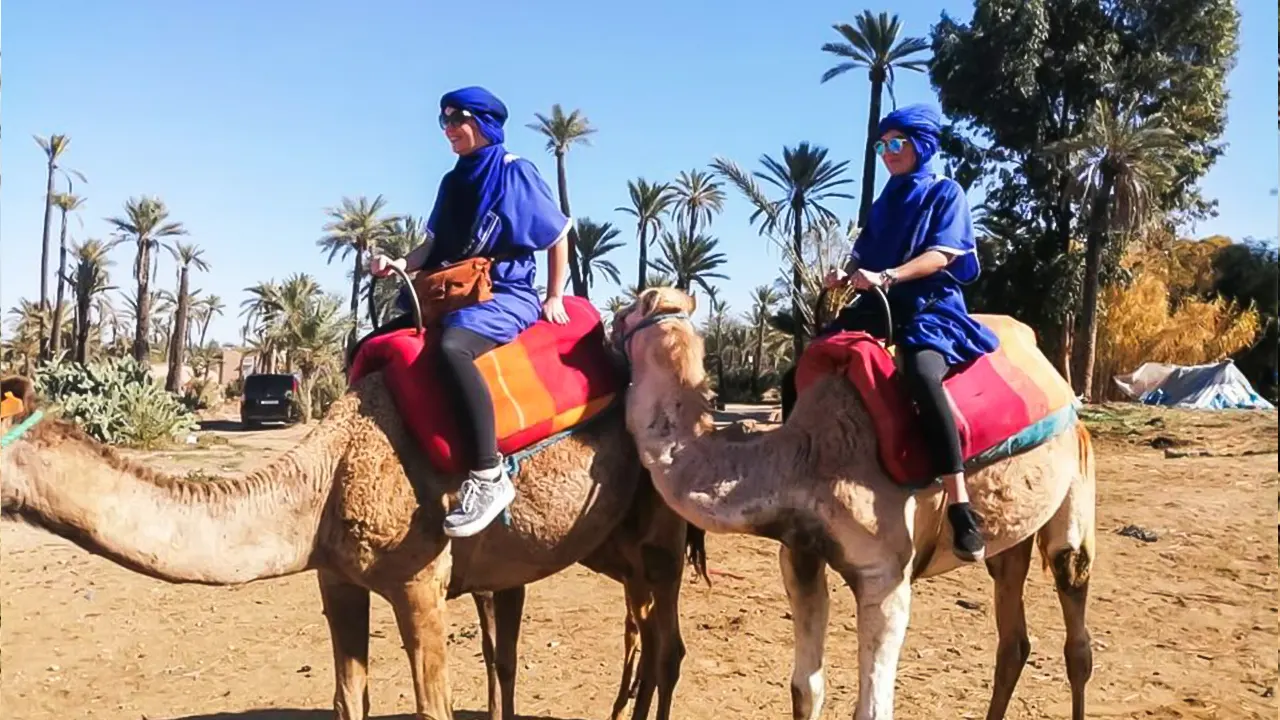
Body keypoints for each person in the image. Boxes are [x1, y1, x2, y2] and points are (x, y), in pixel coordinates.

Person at [358, 86, 572, 539]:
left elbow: (557, 235)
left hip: (506, 292)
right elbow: (432, 247)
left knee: (453, 347)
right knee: (373, 345)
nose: (449, 130)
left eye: (458, 120)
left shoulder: (516, 174)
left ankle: (488, 475)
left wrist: (553, 296)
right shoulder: (453, 181)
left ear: (484, 123)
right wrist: (398, 264)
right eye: (444, 122)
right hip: (453, 290)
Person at [789, 103, 999, 563]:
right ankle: (797, 478)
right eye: (881, 145)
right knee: (805, 366)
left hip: (928, 306)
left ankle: (960, 504)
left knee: (923, 375)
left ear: (921, 145)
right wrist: (843, 275)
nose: (886, 152)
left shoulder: (946, 194)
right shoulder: (886, 200)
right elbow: (860, 254)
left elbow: (942, 256)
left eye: (895, 143)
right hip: (877, 305)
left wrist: (888, 276)